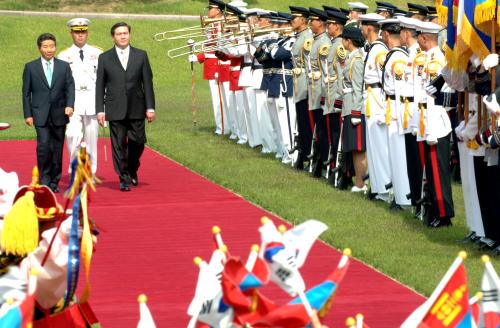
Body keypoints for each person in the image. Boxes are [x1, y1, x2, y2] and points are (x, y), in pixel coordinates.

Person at [96, 22, 156, 192]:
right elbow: (100, 85)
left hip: (137, 106)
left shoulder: (141, 55)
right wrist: (100, 110)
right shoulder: (105, 57)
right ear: (113, 37)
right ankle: (123, 177)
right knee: (118, 145)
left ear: (129, 34)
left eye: (125, 33)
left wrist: (150, 107)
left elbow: (147, 83)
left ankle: (131, 169)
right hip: (115, 107)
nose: (122, 36)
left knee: (138, 141)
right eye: (118, 34)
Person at [22, 33, 75, 193]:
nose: (49, 49)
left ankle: (54, 181)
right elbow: (26, 93)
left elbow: (70, 87)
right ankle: (44, 180)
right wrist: (28, 114)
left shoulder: (64, 66)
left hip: (60, 114)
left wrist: (69, 105)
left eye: (52, 46)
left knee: (57, 148)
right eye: (45, 46)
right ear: (40, 48)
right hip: (39, 114)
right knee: (44, 147)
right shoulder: (30, 67)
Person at [58, 18, 102, 175]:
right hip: (73, 102)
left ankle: (92, 168)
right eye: (77, 32)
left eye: (83, 31)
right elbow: (61, 82)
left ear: (87, 32)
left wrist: (103, 104)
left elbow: (104, 80)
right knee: (72, 135)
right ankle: (74, 166)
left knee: (92, 137)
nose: (80, 35)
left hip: (92, 101)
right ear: (71, 33)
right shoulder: (63, 56)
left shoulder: (98, 53)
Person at [340, 26, 367, 192]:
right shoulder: (352, 58)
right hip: (348, 106)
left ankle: (361, 183)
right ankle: (358, 181)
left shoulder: (356, 60)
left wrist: (356, 112)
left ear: (348, 41)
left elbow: (357, 88)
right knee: (352, 147)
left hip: (354, 109)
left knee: (358, 149)